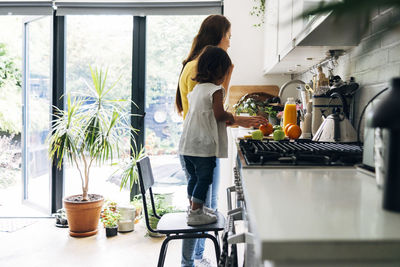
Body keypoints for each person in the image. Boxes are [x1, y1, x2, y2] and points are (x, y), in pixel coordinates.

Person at [179, 46, 267, 267]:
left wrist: (239, 120)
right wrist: (238, 118)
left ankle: (194, 208)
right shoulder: (215, 90)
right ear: (219, 71)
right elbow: (219, 115)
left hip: (188, 146)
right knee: (205, 179)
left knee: (193, 179)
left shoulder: (197, 89)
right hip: (202, 146)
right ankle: (196, 213)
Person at [176, 14, 232, 267]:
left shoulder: (194, 66)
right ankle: (189, 262)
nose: (230, 42)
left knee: (202, 206)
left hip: (194, 144)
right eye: (229, 36)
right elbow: (216, 109)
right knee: (199, 209)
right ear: (219, 36)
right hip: (199, 146)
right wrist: (228, 73)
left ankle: (196, 258)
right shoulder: (199, 69)